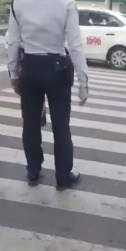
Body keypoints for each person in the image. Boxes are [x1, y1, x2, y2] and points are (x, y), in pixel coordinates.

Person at [7, 0, 89, 191]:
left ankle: (33, 172)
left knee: (30, 124)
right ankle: (62, 178)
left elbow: (13, 41)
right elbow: (75, 44)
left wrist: (14, 73)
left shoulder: (18, 3)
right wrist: (83, 81)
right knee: (61, 127)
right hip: (58, 70)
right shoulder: (66, 3)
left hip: (30, 68)